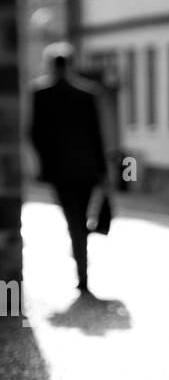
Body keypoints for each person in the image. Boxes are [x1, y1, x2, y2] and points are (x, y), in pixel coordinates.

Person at [29, 45, 108, 296]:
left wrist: (42, 163)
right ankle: (81, 258)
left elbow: (35, 132)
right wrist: (103, 169)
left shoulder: (41, 93)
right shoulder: (87, 94)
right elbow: (97, 135)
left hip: (59, 169)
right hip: (86, 168)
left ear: (51, 65)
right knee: (80, 215)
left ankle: (80, 259)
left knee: (72, 217)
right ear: (71, 64)